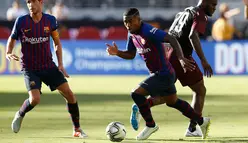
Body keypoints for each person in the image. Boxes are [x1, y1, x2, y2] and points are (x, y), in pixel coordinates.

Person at [106, 7, 211, 140]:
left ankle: (151, 125)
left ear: (138, 19)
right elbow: (131, 54)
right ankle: (202, 121)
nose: (128, 25)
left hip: (163, 73)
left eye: (131, 21)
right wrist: (118, 53)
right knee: (173, 101)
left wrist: (180, 58)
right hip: (161, 73)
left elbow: (172, 39)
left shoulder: (148, 31)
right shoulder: (131, 33)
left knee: (136, 94)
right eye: (125, 22)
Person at [130, 0, 217, 138]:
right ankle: (193, 128)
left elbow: (170, 33)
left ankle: (144, 105)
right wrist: (203, 61)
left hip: (170, 53)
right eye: (212, 4)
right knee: (200, 90)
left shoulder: (184, 12)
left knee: (168, 94)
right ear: (204, 2)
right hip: (181, 56)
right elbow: (192, 36)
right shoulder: (200, 15)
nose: (214, 8)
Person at [6, 0, 87, 138]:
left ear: (41, 2)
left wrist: (60, 65)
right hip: (30, 68)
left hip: (48, 66)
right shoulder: (21, 21)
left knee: (70, 95)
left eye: (33, 1)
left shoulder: (50, 20)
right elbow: (12, 39)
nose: (30, 5)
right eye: (28, 2)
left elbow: (57, 43)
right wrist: (8, 52)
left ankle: (77, 129)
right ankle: (20, 114)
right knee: (35, 99)